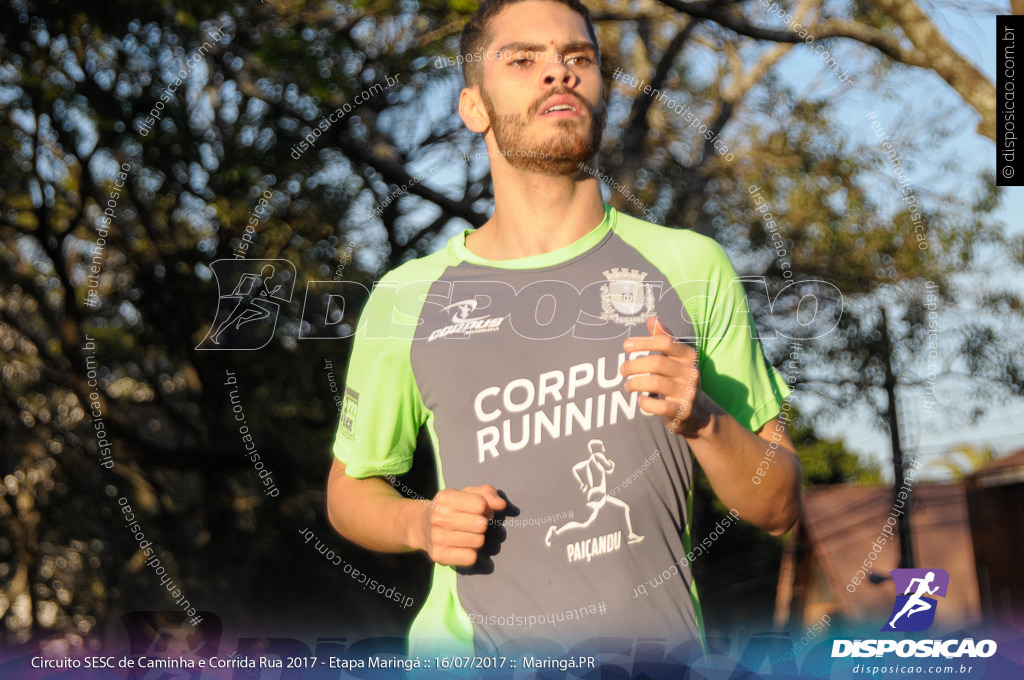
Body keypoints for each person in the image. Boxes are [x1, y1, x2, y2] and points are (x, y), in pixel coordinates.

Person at [326, 0, 802, 665]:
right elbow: (351, 490)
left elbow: (778, 503)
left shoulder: (691, 267)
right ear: (473, 107)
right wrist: (419, 520)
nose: (559, 74)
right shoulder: (406, 299)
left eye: (577, 59)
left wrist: (703, 419)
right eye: (523, 60)